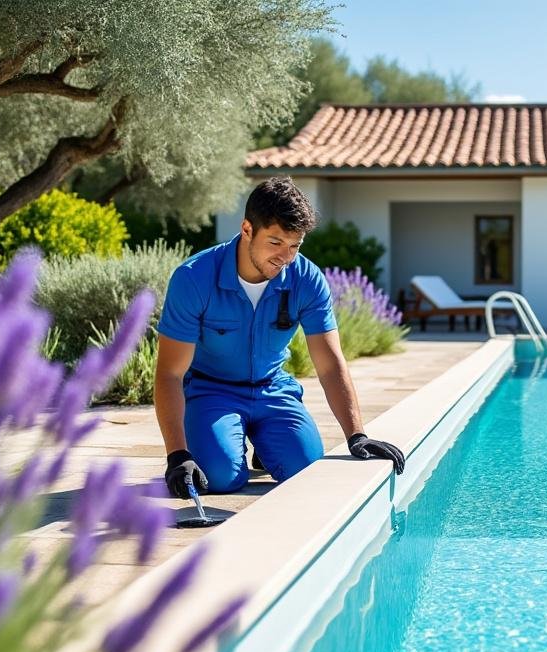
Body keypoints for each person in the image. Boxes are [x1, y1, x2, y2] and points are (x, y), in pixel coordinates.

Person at [154, 176, 404, 499]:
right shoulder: (193, 279)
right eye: (275, 243)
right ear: (247, 229)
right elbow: (170, 373)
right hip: (211, 391)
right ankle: (229, 440)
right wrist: (177, 454)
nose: (286, 257)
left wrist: (357, 435)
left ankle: (266, 442)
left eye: (294, 246)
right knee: (218, 476)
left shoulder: (308, 279)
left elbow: (329, 364)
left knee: (307, 470)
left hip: (273, 390)